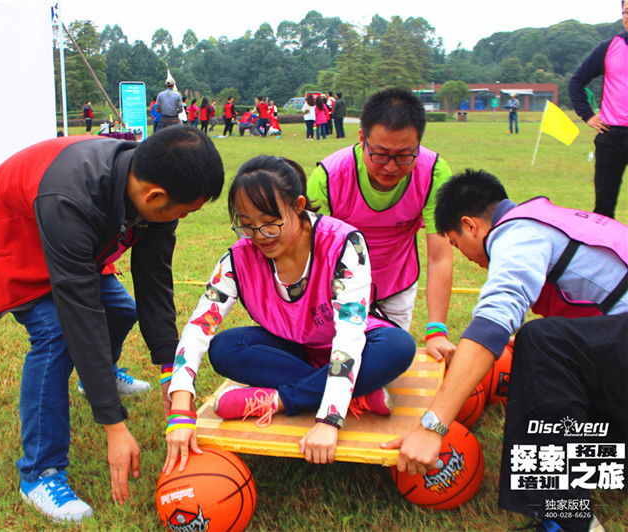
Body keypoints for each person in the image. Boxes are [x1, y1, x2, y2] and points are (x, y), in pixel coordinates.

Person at [0, 127, 224, 523]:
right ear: (155, 197)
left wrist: (169, 374)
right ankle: (40, 473)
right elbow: (79, 309)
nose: (182, 219)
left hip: (64, 240)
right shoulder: (71, 195)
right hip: (9, 239)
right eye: (184, 211)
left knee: (121, 309)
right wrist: (113, 424)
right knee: (56, 334)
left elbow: (154, 282)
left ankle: (97, 378)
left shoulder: (149, 189)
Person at [386, 169, 627, 532]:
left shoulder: (517, 233)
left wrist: (431, 427)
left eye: (455, 244)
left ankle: (568, 519)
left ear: (470, 226)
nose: (464, 256)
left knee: (541, 341)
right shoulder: (549, 217)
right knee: (544, 348)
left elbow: (493, 322)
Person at [163, 155, 416, 473]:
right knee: (226, 347)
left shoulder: (344, 244)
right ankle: (359, 394)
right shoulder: (239, 259)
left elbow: (350, 335)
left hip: (356, 345)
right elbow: (199, 327)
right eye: (247, 225)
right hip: (296, 351)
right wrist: (181, 410)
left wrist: (329, 418)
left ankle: (282, 400)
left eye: (270, 223)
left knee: (397, 347)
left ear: (298, 206)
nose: (259, 237)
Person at [307, 87, 456, 362]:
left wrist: (437, 331)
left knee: (387, 358)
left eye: (404, 156)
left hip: (396, 283)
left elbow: (439, 256)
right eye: (381, 154)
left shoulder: (434, 173)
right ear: (362, 138)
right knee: (337, 359)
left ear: (419, 144)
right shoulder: (327, 178)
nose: (390, 167)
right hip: (339, 287)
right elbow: (315, 260)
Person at [569, 4, 628, 220]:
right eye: (626, 11)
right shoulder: (610, 46)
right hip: (612, 137)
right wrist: (588, 115)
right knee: (604, 206)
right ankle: (604, 253)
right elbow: (577, 81)